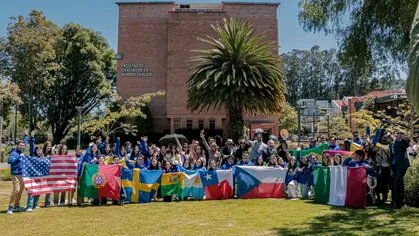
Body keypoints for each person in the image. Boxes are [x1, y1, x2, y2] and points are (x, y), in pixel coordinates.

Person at [390, 131, 411, 208]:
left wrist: (405, 139)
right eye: (397, 133)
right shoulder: (392, 143)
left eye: (401, 133)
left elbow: (407, 145)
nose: (399, 135)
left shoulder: (402, 142)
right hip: (394, 165)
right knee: (399, 183)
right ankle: (400, 201)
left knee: (397, 182)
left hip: (402, 166)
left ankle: (397, 203)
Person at [7, 140, 26, 214]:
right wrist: (18, 157)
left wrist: (27, 136)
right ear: (17, 145)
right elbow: (9, 161)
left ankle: (16, 206)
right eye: (20, 145)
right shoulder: (14, 153)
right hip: (15, 174)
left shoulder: (21, 151)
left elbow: (27, 143)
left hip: (21, 174)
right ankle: (10, 207)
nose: (22, 146)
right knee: (16, 190)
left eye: (23, 145)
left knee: (21, 190)